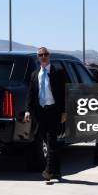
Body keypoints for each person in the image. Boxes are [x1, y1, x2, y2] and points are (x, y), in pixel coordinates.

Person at [24, 47, 68, 181]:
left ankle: (48, 171)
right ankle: (57, 171)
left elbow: (65, 93)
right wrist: (27, 110)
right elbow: (31, 94)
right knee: (49, 142)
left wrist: (64, 111)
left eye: (45, 54)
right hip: (40, 112)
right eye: (40, 55)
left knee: (51, 140)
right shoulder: (34, 74)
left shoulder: (58, 72)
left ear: (49, 56)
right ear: (38, 58)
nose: (43, 56)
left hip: (54, 111)